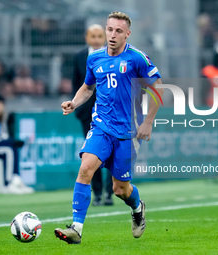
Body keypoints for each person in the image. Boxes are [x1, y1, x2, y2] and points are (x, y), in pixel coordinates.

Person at [55, 11, 163, 244]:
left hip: (127, 133)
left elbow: (159, 89)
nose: (112, 35)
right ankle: (76, 228)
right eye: (109, 30)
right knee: (85, 169)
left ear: (127, 34)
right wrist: (74, 102)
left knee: (120, 189)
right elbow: (87, 88)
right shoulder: (94, 59)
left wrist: (148, 122)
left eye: (118, 31)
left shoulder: (137, 59)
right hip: (101, 127)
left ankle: (137, 208)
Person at [72, 24, 114, 206]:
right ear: (87, 38)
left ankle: (109, 193)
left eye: (99, 36)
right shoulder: (80, 57)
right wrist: (77, 107)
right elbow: (77, 83)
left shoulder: (113, 55)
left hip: (109, 112)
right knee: (91, 154)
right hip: (87, 114)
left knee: (111, 153)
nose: (96, 39)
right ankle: (97, 193)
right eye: (93, 36)